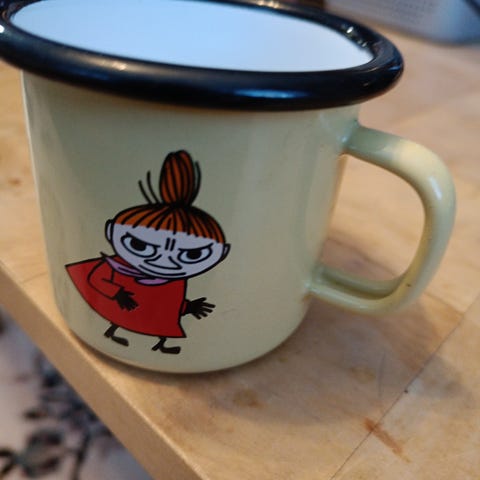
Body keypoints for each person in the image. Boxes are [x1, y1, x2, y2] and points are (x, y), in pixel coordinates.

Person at [66, 150, 230, 354]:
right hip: (121, 311)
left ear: (222, 253)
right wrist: (117, 294)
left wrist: (188, 307)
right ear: (110, 232)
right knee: (119, 318)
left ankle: (161, 344)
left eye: (192, 255)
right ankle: (113, 332)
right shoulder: (118, 266)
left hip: (154, 318)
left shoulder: (174, 280)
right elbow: (96, 279)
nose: (164, 261)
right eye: (140, 246)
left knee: (159, 323)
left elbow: (170, 304)